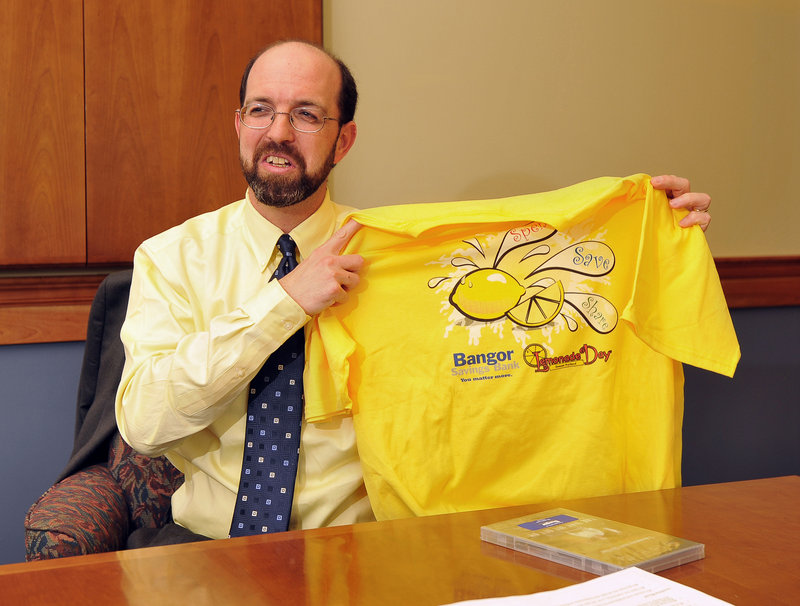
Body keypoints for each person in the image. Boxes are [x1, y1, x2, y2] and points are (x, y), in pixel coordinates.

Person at [115, 40, 713, 545]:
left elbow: (527, 326)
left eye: (305, 114)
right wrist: (286, 302)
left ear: (343, 140)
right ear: (238, 124)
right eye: (261, 110)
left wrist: (655, 235)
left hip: (365, 552)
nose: (278, 132)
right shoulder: (170, 259)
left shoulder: (408, 264)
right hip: (208, 547)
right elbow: (144, 423)